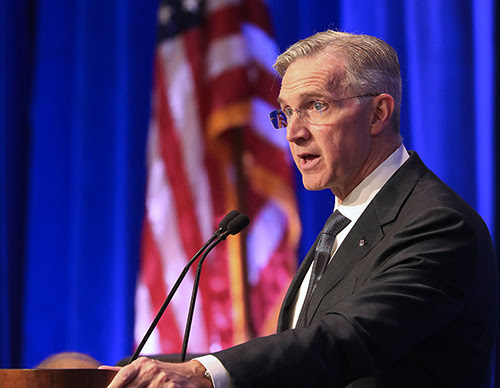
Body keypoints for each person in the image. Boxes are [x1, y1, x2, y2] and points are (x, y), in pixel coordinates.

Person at [102, 30, 497, 387]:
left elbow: (343, 340)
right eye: (287, 111)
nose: (293, 132)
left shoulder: (438, 225)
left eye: (317, 106)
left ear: (378, 112)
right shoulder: (346, 221)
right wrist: (135, 370)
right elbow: (294, 361)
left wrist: (203, 373)